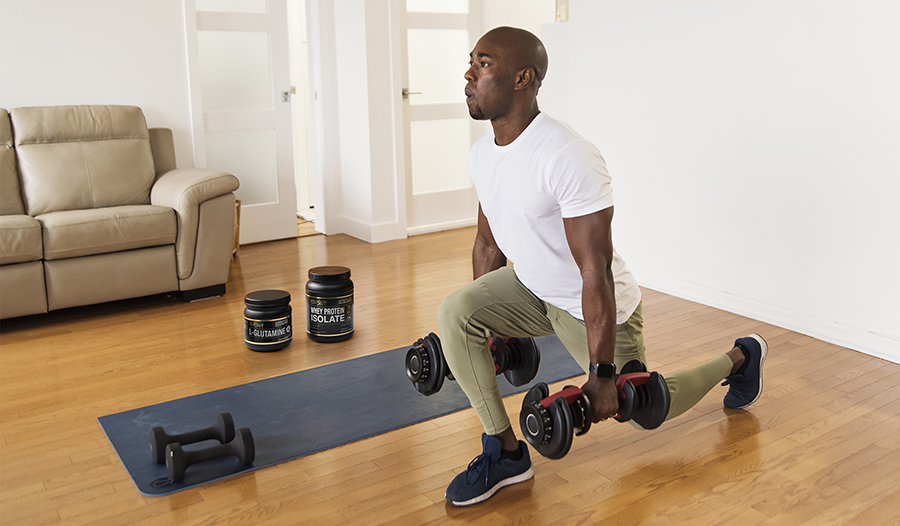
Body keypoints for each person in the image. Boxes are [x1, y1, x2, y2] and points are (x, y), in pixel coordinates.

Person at [438, 26, 768, 507]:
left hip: (583, 300)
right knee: (456, 312)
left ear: (522, 78)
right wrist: (495, 332)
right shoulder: (482, 155)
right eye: (472, 61)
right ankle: (505, 452)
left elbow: (595, 269)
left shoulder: (567, 155)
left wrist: (602, 372)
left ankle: (742, 357)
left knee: (642, 409)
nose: (469, 74)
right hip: (532, 286)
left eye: (484, 64)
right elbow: (489, 243)